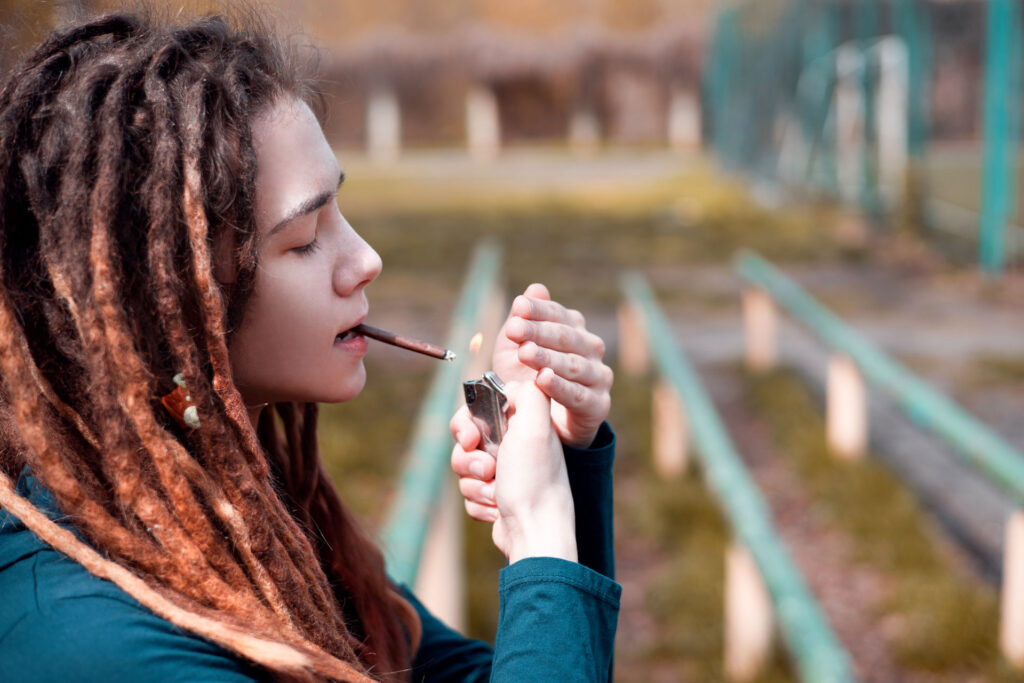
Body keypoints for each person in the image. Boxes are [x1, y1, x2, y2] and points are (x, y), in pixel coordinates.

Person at [0, 7, 620, 682]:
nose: (366, 259)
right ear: (169, 300)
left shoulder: (242, 511)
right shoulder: (93, 644)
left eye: (340, 212)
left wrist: (562, 466)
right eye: (303, 239)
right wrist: (540, 542)